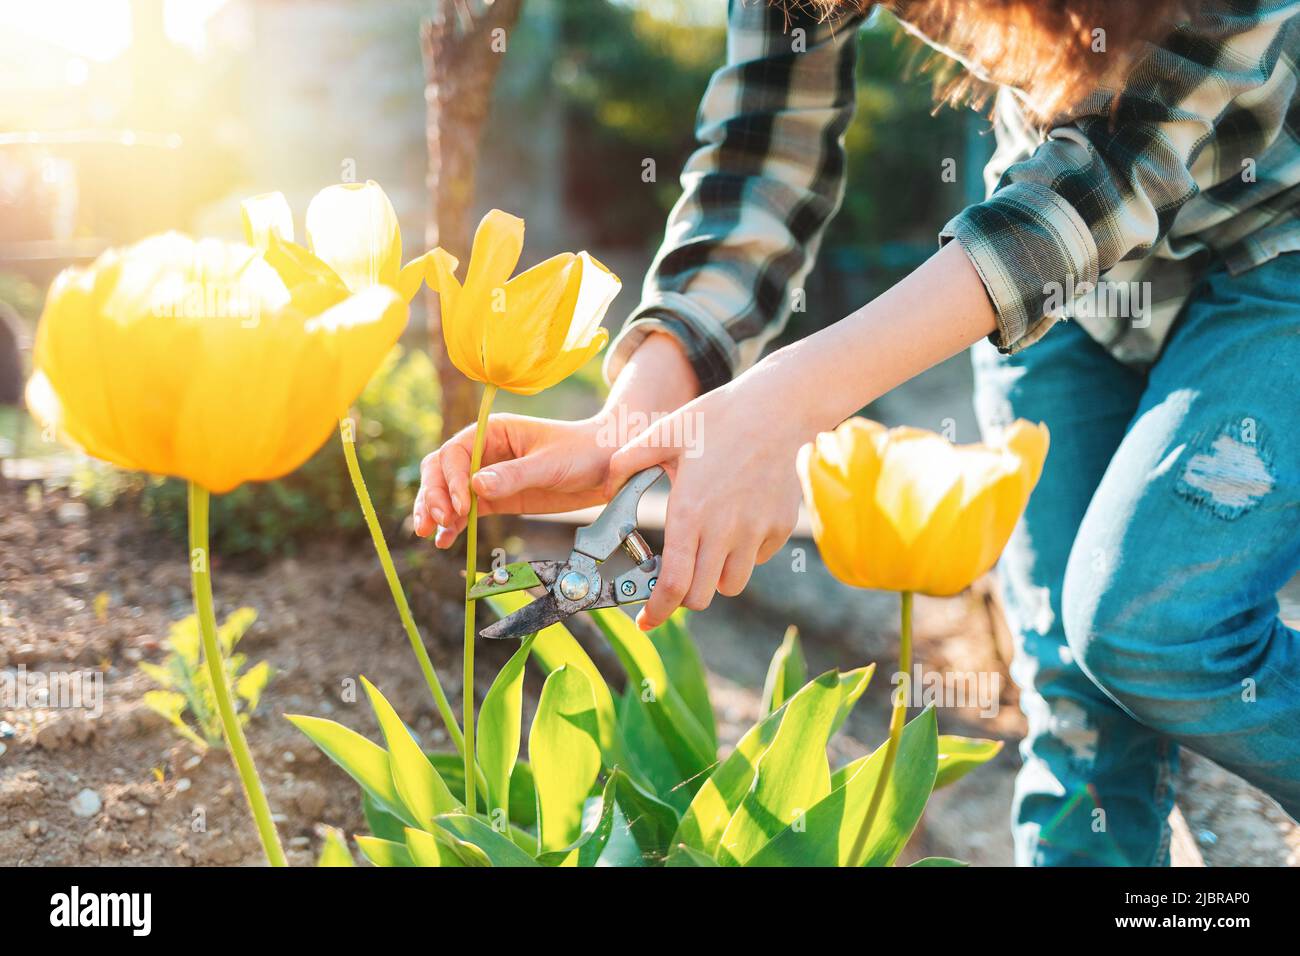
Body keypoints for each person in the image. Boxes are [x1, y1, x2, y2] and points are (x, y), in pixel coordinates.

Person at [414, 0, 1300, 866]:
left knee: (1153, 632)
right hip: (1056, 289)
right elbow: (763, 145)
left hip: (1270, 245)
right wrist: (637, 421)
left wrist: (784, 404)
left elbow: (1101, 181)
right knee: (1070, 691)